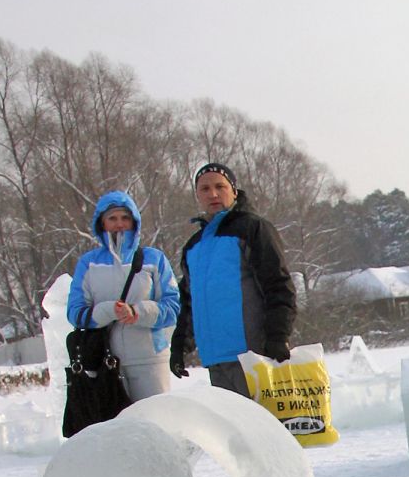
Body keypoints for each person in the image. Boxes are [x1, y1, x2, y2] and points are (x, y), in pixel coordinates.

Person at [170, 163, 297, 397]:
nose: (213, 194)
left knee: (263, 429)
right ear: (197, 195)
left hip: (252, 354)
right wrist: (179, 345)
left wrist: (278, 336)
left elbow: (278, 285)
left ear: (234, 191)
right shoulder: (194, 246)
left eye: (220, 186)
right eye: (205, 188)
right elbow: (189, 301)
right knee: (235, 431)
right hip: (215, 358)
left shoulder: (253, 228)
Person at [67, 191, 180, 402]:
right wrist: (108, 311)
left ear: (134, 221)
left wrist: (138, 313)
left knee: (155, 425)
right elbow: (75, 312)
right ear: (102, 223)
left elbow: (172, 307)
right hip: (105, 361)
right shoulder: (88, 264)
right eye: (112, 218)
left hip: (150, 360)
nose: (119, 224)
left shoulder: (154, 259)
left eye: (125, 218)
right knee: (117, 430)